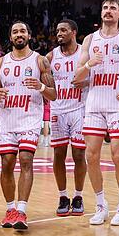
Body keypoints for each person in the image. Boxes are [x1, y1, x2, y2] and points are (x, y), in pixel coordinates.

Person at [74, 0, 119, 226]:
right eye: (105, 7)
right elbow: (76, 77)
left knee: (118, 155)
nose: (107, 11)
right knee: (91, 156)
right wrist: (89, 64)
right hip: (95, 104)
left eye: (112, 8)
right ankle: (100, 205)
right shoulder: (89, 40)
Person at [0, 21, 56, 230]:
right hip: (8, 120)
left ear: (29, 35)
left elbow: (53, 94)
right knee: (6, 164)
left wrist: (41, 86)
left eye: (23, 31)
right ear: (10, 37)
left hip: (30, 119)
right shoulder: (1, 63)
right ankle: (10, 209)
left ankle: (21, 210)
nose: (19, 34)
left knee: (26, 159)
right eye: (15, 32)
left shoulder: (40, 61)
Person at [46, 19, 88, 216]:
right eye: (57, 30)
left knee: (79, 155)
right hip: (58, 110)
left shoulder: (84, 53)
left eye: (63, 30)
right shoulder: (50, 57)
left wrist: (87, 81)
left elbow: (98, 76)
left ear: (73, 32)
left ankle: (78, 195)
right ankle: (63, 196)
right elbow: (43, 82)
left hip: (80, 109)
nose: (59, 33)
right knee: (58, 155)